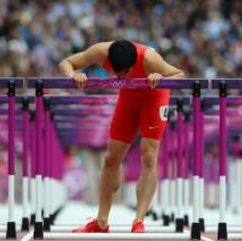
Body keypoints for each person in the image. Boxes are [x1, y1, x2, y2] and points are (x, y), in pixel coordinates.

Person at [59, 40, 185, 233]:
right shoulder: (100, 52)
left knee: (149, 157)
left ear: (134, 64)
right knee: (111, 160)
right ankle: (101, 221)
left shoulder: (150, 58)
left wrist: (160, 75)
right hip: (128, 98)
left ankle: (138, 221)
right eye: (116, 73)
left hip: (154, 98)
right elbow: (66, 63)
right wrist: (73, 75)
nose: (119, 76)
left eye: (124, 73)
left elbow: (179, 74)